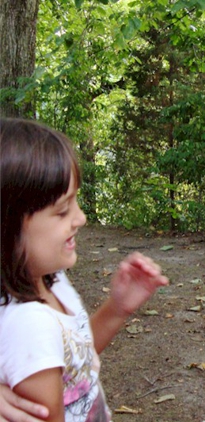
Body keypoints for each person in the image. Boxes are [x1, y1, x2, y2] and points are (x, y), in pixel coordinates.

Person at [0, 118, 169, 421]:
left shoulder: (52, 281)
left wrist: (116, 309)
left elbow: (75, 365)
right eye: (63, 211)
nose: (80, 218)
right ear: (7, 229)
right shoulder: (28, 326)